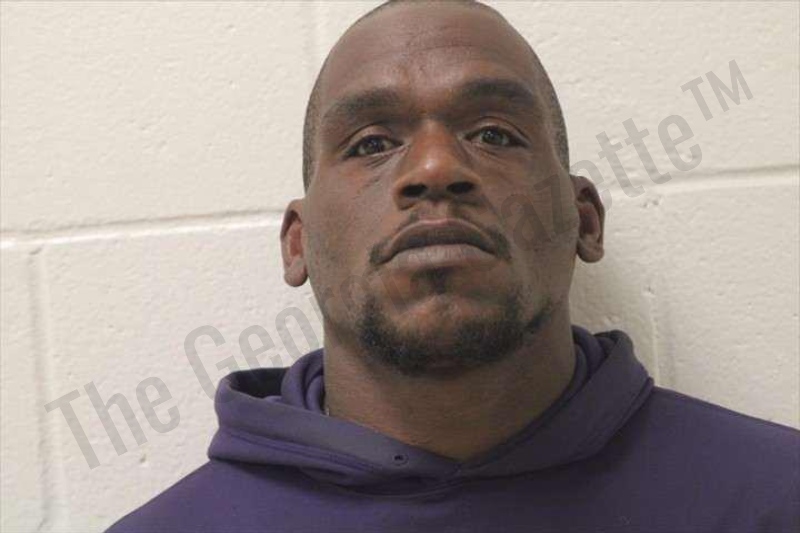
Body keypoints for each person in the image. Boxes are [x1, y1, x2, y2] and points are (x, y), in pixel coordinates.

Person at [107, 1, 799, 531]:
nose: (435, 168)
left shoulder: (775, 498)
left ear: (584, 220)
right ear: (299, 243)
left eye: (494, 134)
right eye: (371, 143)